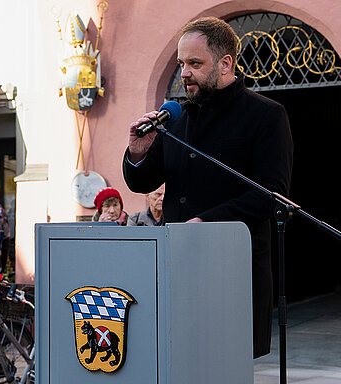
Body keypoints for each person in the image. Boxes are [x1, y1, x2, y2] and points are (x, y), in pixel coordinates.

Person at [123, 17, 293, 358]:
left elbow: (270, 194)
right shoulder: (176, 118)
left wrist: (206, 222)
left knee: (225, 366)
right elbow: (142, 180)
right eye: (182, 63)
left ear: (225, 63)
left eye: (195, 64)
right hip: (177, 268)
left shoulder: (265, 115)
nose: (184, 73)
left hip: (232, 272)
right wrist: (137, 152)